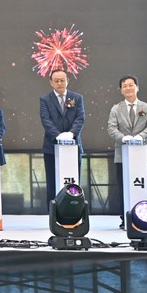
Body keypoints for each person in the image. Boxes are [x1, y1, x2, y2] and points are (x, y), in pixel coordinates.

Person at [107, 75, 147, 228]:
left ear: (137, 87)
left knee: (142, 186)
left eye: (131, 85)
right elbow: (111, 128)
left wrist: (140, 137)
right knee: (124, 187)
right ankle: (125, 218)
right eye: (125, 86)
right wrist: (124, 138)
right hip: (122, 155)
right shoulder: (116, 109)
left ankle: (144, 218)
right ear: (121, 90)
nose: (128, 88)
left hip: (143, 154)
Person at [39, 69, 85, 210]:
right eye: (56, 81)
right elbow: (45, 120)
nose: (60, 83)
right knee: (52, 182)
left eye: (62, 80)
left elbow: (80, 118)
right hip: (52, 147)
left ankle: (74, 211)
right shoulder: (45, 99)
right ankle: (53, 213)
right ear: (51, 82)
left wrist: (71, 134)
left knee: (73, 182)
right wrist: (58, 135)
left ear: (67, 81)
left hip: (73, 146)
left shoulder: (77, 98)